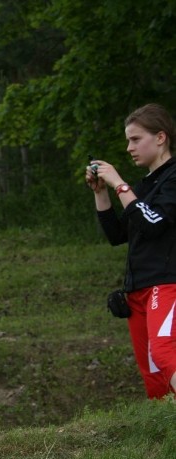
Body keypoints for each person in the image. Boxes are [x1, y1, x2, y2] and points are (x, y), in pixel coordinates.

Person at [87, 103, 176, 399]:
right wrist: (102, 192)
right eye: (128, 140)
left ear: (160, 138)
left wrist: (120, 185)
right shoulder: (145, 186)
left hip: (166, 284)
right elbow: (117, 234)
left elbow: (154, 223)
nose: (129, 148)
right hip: (138, 289)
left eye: (135, 139)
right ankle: (163, 441)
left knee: (165, 355)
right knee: (153, 375)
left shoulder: (173, 178)